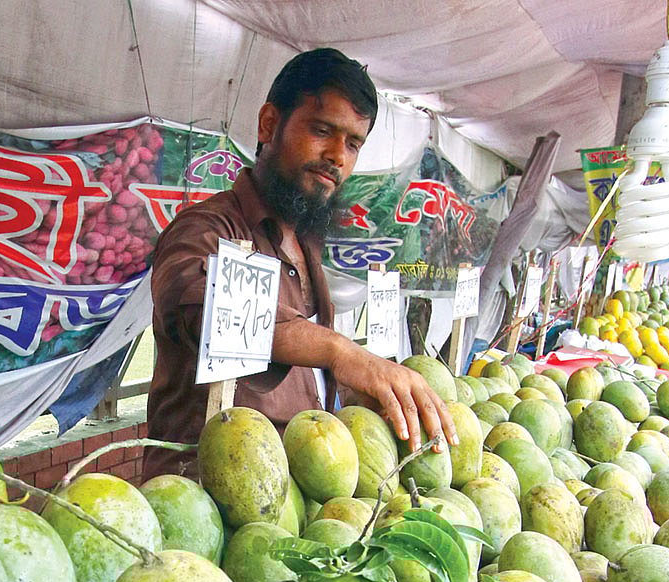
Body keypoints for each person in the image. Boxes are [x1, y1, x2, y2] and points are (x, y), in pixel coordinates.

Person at [142, 47, 457, 480]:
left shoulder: (307, 241)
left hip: (297, 490)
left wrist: (356, 392)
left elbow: (308, 376)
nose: (337, 156)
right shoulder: (205, 229)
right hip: (202, 489)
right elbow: (198, 306)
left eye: (353, 144)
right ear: (269, 124)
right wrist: (341, 351)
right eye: (322, 130)